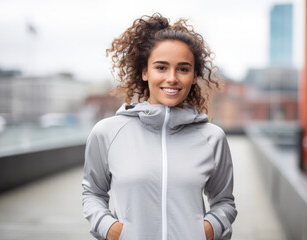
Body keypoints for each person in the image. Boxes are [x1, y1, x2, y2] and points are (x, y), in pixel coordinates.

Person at [82, 13, 237, 240]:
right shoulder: (108, 132)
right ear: (145, 72)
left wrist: (207, 230)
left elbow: (224, 201)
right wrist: (111, 230)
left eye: (183, 69)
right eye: (161, 68)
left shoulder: (212, 137)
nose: (172, 78)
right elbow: (92, 193)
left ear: (194, 76)